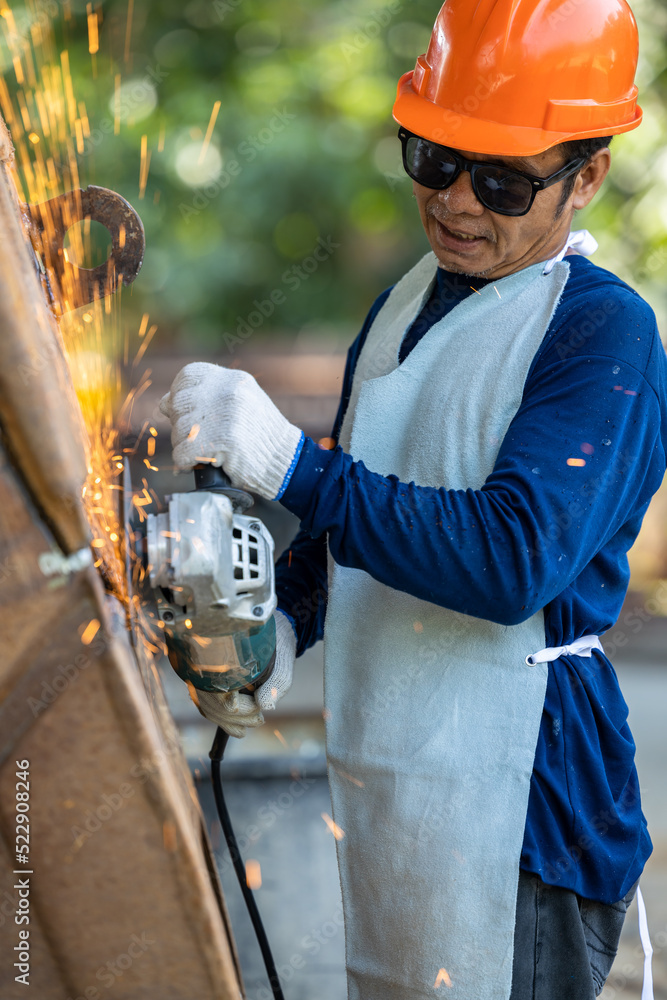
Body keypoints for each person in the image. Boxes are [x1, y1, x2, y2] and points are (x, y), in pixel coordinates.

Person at [159, 1, 667, 997]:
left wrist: (288, 464)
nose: (457, 204)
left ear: (589, 174)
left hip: (525, 808)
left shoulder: (603, 338)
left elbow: (511, 557)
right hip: (395, 786)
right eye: (433, 159)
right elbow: (354, 522)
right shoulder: (404, 302)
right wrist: (282, 630)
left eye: (503, 181)